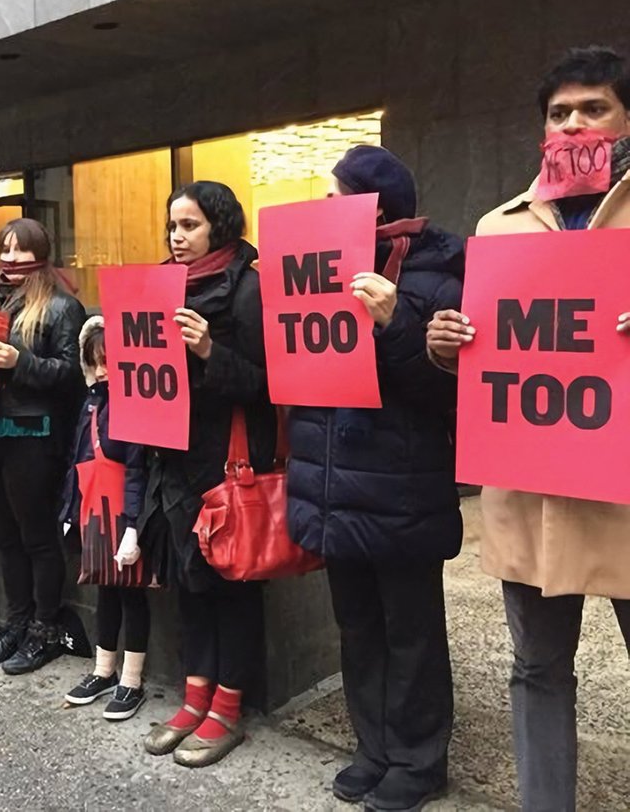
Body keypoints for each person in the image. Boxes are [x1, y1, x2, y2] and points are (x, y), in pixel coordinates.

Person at [427, 45, 630, 812]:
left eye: (593, 108)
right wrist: (447, 345)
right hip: (532, 489)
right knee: (538, 667)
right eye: (559, 112)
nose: (573, 123)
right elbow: (494, 358)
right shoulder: (499, 225)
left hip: (624, 490)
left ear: (626, 121)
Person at [286, 147, 464, 810]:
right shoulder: (318, 269)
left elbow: (446, 392)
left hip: (402, 488)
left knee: (411, 634)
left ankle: (419, 761)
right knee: (358, 628)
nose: (325, 207)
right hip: (333, 483)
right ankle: (374, 749)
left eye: (336, 196)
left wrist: (396, 323)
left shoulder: (440, 274)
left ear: (374, 206)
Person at [138, 181, 275, 768]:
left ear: (219, 225)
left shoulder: (250, 287)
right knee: (191, 586)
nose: (176, 236)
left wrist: (208, 353)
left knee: (231, 588)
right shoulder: (162, 285)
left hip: (226, 466)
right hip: (174, 460)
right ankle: (195, 697)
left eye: (189, 225)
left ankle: (228, 707)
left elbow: (270, 384)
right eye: (172, 225)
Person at [0, 218, 86, 675]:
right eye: (5, 248)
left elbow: (74, 373)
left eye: (21, 249)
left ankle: (44, 628)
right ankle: (16, 622)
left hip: (35, 435)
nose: (11, 257)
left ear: (40, 252)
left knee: (38, 538)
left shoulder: (62, 306)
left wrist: (21, 362)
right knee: (5, 535)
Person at [59, 316, 151, 721]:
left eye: (108, 362)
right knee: (105, 590)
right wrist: (68, 510)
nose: (100, 371)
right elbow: (76, 458)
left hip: (124, 514)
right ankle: (103, 669)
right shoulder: (90, 403)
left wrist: (133, 525)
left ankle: (132, 679)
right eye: (94, 362)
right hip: (93, 510)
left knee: (132, 593)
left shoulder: (134, 407)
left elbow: (138, 469)